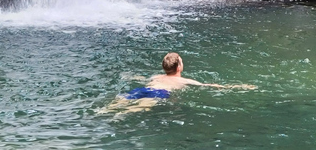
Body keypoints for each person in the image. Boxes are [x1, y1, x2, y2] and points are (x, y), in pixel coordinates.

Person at [102, 52, 255, 114]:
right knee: (142, 106)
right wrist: (238, 87)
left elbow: (142, 79)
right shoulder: (183, 81)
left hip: (143, 88)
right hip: (159, 93)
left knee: (122, 99)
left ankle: (105, 110)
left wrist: (129, 76)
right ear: (179, 67)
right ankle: (121, 115)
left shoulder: (156, 76)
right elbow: (209, 86)